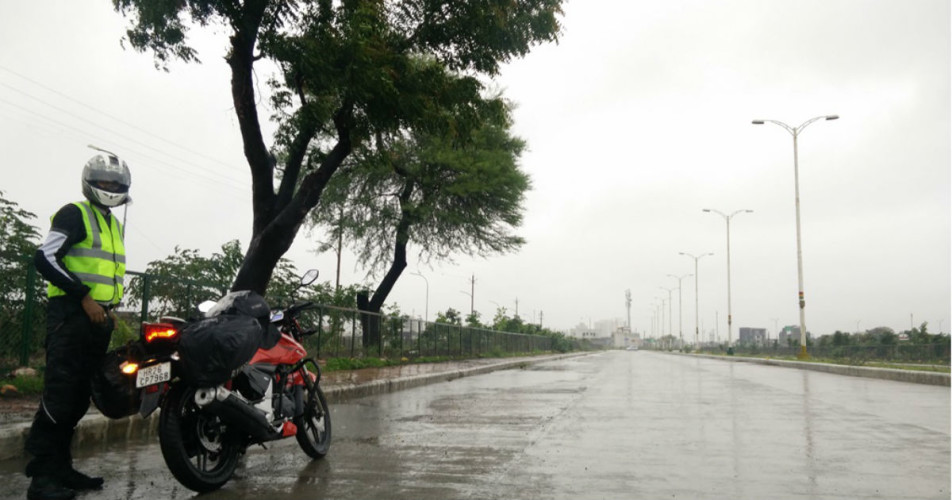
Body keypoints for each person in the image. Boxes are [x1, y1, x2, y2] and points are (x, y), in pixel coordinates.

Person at [24, 151, 132, 500]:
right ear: (89, 183)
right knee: (61, 394)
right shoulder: (75, 213)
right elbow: (44, 257)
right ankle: (41, 479)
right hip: (69, 317)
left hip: (97, 319)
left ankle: (61, 468)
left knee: (80, 397)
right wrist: (84, 297)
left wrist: (107, 308)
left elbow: (103, 272)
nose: (110, 187)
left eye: (115, 184)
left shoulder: (113, 223)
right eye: (103, 182)